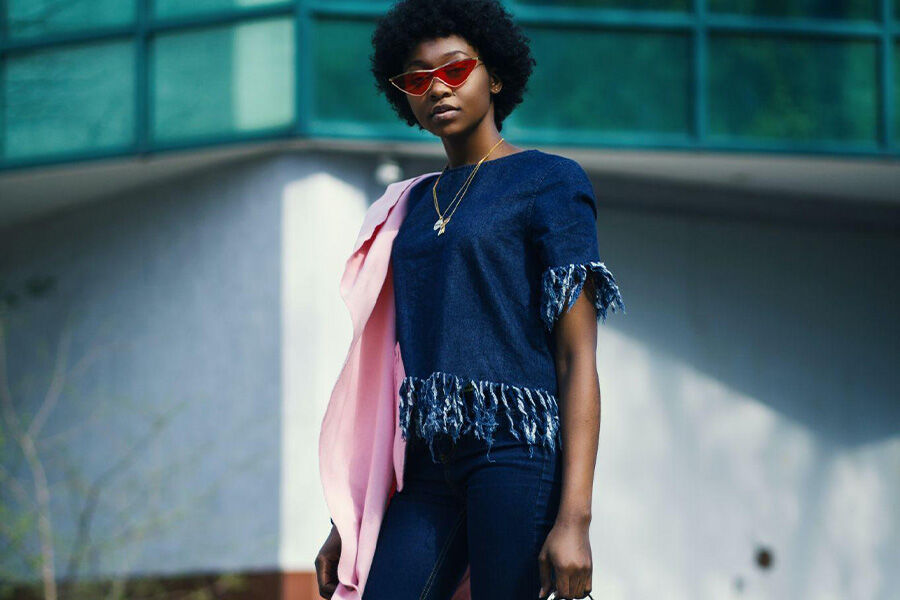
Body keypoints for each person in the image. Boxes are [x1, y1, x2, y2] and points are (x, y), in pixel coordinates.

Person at [316, 1, 624, 599]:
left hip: (514, 453)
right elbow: (385, 370)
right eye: (417, 78)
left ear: (496, 75)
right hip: (428, 461)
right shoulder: (407, 206)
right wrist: (349, 521)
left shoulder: (550, 182)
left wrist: (574, 520)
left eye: (455, 70)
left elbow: (577, 358)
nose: (437, 88)